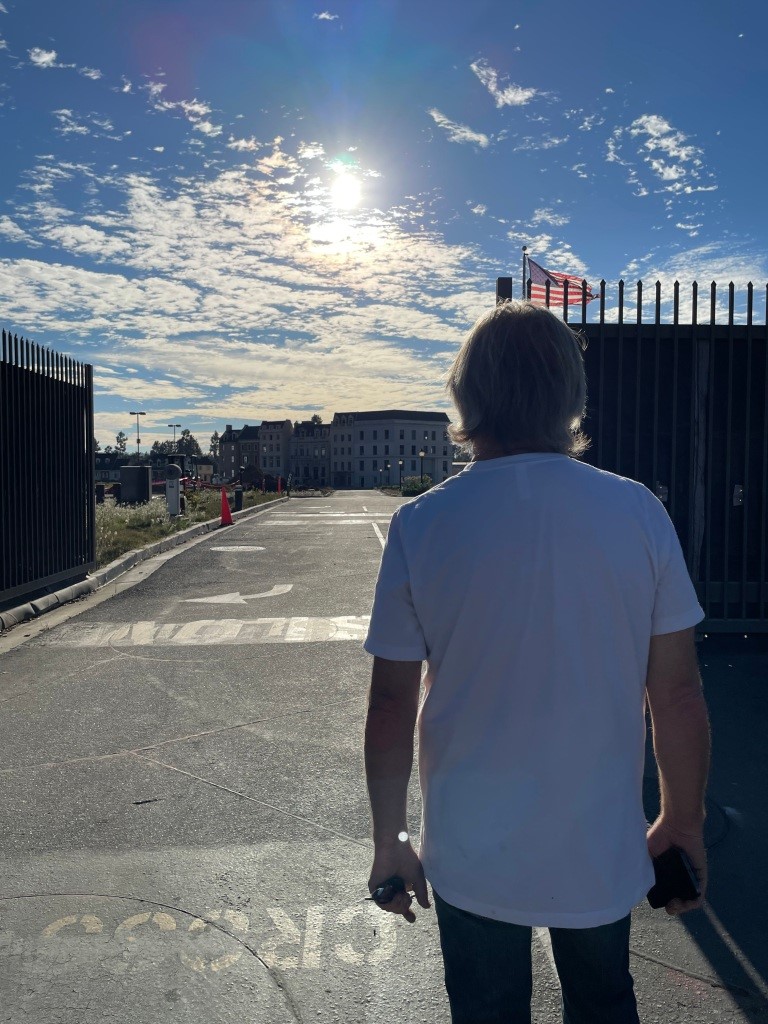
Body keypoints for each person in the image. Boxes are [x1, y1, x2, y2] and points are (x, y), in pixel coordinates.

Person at [363, 300, 710, 1024]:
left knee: (487, 1009)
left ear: (468, 397)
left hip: (471, 846)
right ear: (570, 396)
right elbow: (676, 694)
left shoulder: (421, 523)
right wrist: (681, 821)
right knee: (604, 1002)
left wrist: (391, 839)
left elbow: (392, 704)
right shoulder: (638, 513)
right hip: (598, 844)